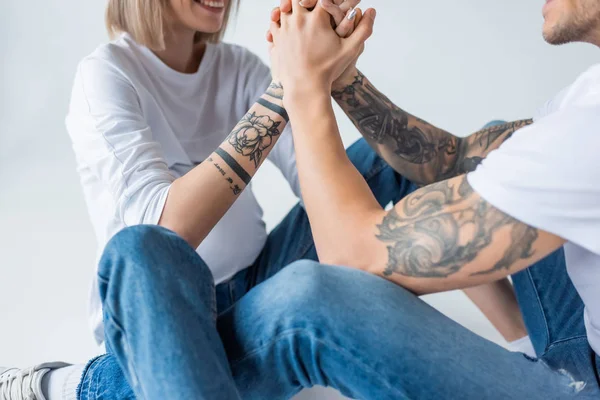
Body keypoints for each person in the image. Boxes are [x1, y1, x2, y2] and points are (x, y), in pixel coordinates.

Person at [0, 1, 534, 400]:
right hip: (161, 311)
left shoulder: (237, 67)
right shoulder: (106, 74)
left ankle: (524, 343)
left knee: (382, 166)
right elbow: (165, 227)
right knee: (139, 248)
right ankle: (82, 385)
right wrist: (292, 85)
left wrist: (329, 73)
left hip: (254, 284)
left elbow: (327, 192)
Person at [264, 0, 600, 398]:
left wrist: (304, 82)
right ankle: (534, 354)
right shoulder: (587, 96)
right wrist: (342, 79)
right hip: (585, 333)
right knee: (499, 148)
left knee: (303, 303)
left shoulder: (588, 132)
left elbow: (355, 258)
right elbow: (454, 159)